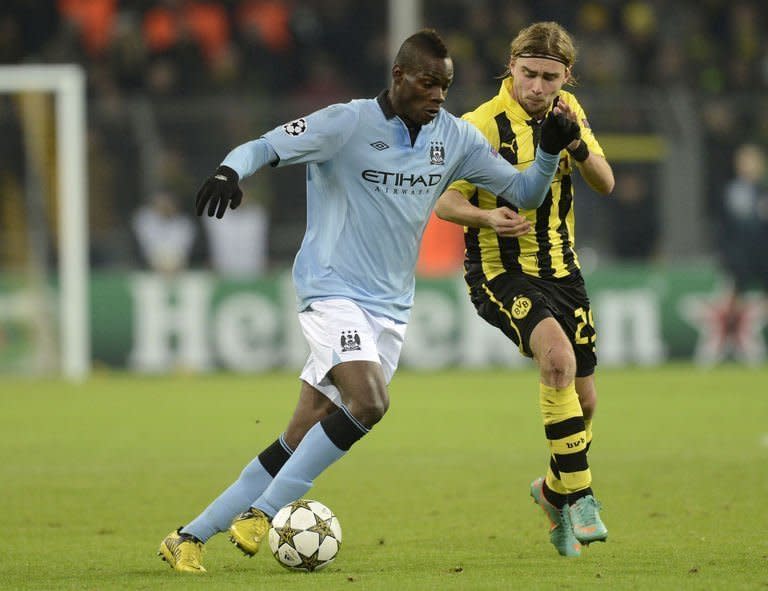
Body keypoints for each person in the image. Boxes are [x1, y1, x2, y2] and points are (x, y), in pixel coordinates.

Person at [157, 28, 581, 573]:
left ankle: (188, 536)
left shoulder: (453, 138)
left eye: (445, 87)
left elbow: (524, 193)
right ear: (399, 76)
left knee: (301, 431)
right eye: (428, 83)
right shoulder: (346, 122)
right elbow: (264, 146)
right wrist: (228, 170)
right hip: (331, 289)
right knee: (370, 402)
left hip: (389, 308)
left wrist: (548, 151)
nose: (437, 96)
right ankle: (265, 510)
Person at [434, 21, 615, 558]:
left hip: (564, 272)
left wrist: (577, 145)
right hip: (499, 271)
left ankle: (552, 492)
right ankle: (581, 497)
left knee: (583, 402)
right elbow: (444, 202)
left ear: (566, 78)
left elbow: (605, 182)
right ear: (510, 66)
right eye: (529, 73)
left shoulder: (570, 114)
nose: (537, 86)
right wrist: (488, 221)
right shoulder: (478, 126)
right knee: (555, 360)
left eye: (550, 78)